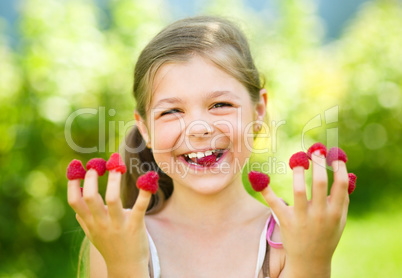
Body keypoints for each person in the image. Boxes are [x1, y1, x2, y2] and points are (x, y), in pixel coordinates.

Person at [67, 16, 350, 278]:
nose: (198, 128)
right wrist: (125, 266)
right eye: (172, 111)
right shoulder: (118, 238)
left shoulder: (292, 238)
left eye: (221, 105)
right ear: (145, 130)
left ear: (258, 111)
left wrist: (312, 261)